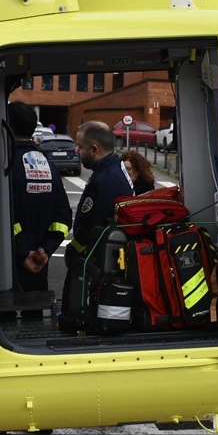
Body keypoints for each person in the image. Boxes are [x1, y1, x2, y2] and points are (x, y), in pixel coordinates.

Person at [59, 120, 133, 331]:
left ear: (94, 149)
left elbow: (94, 230)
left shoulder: (105, 180)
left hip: (95, 266)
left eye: (80, 146)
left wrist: (74, 253)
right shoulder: (113, 167)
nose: (76, 150)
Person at [7, 102, 71, 316]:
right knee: (33, 328)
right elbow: (62, 218)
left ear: (5, 125)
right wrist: (45, 249)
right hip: (38, 266)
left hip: (8, 267)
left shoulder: (2, 164)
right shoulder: (47, 165)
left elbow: (0, 216)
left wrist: (22, 251)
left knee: (2, 325)